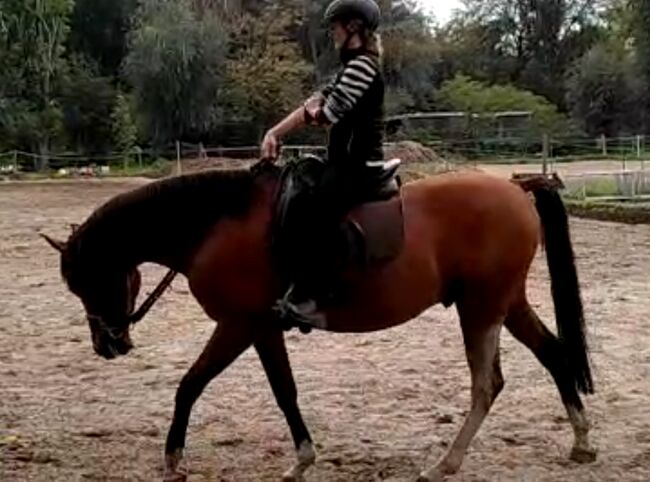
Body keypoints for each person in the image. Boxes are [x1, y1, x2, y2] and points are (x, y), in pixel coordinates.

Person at [260, 0, 386, 330]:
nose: (332, 32)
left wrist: (316, 107)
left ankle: (313, 297)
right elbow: (314, 103)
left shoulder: (362, 67)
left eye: (335, 26)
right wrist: (274, 132)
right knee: (299, 187)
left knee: (314, 209)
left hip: (359, 164)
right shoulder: (351, 68)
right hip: (343, 161)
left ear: (353, 27)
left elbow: (327, 114)